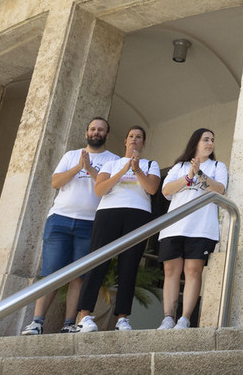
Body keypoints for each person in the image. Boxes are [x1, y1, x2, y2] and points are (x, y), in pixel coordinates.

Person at [21, 117, 119, 335]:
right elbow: (56, 182)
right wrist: (78, 167)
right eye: (93, 129)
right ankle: (36, 322)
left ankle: (68, 323)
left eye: (101, 130)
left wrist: (91, 169)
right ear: (86, 133)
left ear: (107, 135)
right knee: (51, 273)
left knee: (79, 276)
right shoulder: (71, 155)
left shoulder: (114, 160)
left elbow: (110, 190)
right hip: (60, 219)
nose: (96, 132)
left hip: (91, 222)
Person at [75, 125, 161, 332]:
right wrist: (123, 170)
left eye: (139, 137)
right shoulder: (111, 163)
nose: (134, 139)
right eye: (131, 136)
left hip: (138, 213)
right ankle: (85, 315)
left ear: (143, 143)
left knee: (130, 265)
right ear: (125, 141)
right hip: (109, 212)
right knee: (97, 262)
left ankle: (122, 317)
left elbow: (151, 188)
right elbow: (100, 189)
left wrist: (137, 168)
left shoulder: (151, 164)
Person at [157, 128, 229, 329]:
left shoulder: (217, 166)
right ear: (195, 142)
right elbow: (166, 191)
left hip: (202, 227)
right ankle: (168, 318)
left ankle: (184, 318)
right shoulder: (179, 166)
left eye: (212, 140)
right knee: (170, 271)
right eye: (206, 139)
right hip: (174, 227)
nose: (210, 143)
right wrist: (189, 175)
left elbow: (220, 189)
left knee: (193, 270)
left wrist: (200, 173)